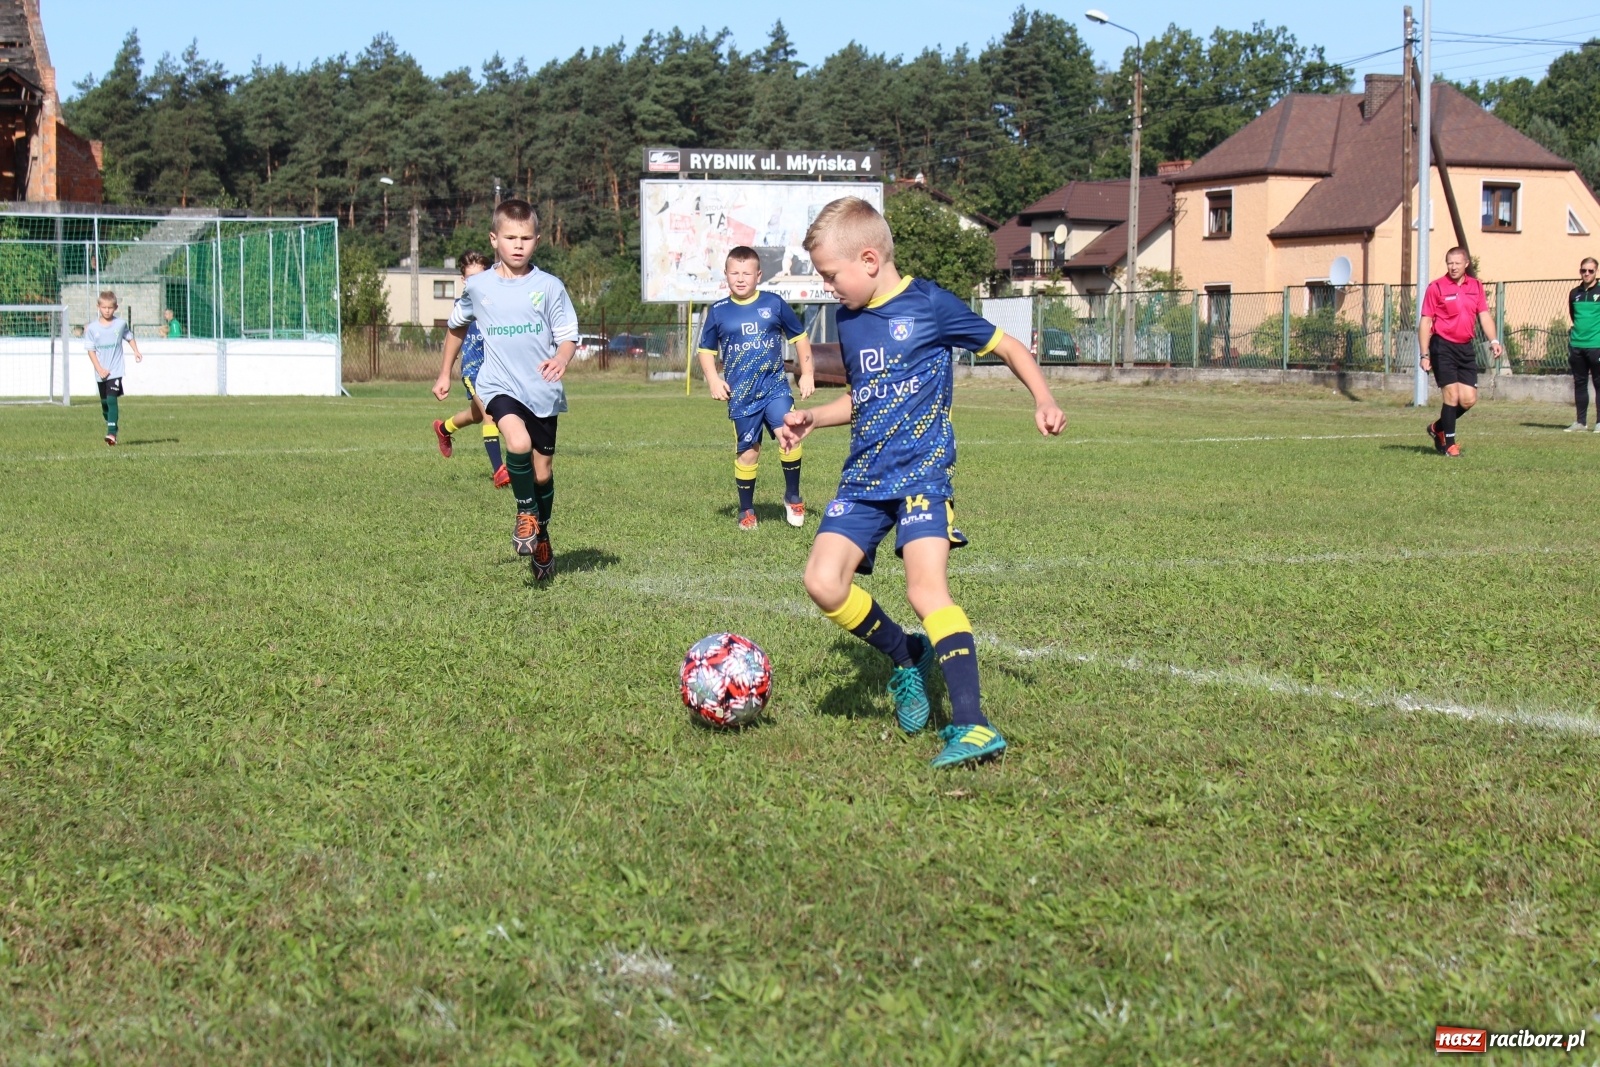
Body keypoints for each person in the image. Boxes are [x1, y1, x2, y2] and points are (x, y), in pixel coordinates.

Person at [777, 197, 1066, 768]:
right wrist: (813, 417)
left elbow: (1005, 345)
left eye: (831, 276)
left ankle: (973, 724)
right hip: (863, 477)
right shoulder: (852, 320)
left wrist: (1044, 397)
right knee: (822, 582)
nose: (829, 288)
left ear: (867, 259)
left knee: (924, 589)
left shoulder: (930, 304)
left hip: (922, 476)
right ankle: (906, 654)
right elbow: (864, 398)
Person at [441, 200, 579, 581]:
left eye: (526, 238)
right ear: (494, 239)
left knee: (543, 473)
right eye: (509, 237)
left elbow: (568, 335)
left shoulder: (550, 287)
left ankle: (543, 535)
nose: (518, 245)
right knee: (515, 443)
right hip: (498, 385)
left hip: (542, 390)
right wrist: (443, 373)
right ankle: (525, 512)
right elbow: (456, 327)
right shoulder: (479, 286)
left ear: (537, 240)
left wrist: (562, 360)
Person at [696, 245, 816, 529]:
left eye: (746, 273)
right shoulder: (718, 312)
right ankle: (747, 510)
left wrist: (807, 373)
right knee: (749, 452)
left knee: (790, 436)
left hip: (775, 387)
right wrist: (714, 379)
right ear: (726, 275)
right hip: (741, 395)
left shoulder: (774, 304)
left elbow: (799, 337)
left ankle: (793, 496)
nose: (740, 278)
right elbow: (705, 351)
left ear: (758, 275)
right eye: (734, 273)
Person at [430, 251, 509, 487]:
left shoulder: (498, 301)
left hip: (497, 369)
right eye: (470, 278)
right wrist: (445, 373)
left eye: (481, 276)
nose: (476, 282)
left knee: (476, 415)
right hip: (473, 371)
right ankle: (499, 471)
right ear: (463, 280)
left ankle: (444, 428)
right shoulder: (463, 305)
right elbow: (453, 336)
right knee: (490, 416)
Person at [1421, 247, 1506, 457]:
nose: (1453, 267)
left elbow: (1484, 315)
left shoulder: (1476, 286)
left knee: (1468, 399)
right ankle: (1450, 445)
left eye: (1457, 263)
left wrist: (1493, 339)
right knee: (1451, 394)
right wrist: (1424, 354)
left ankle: (1437, 428)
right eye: (1450, 263)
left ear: (1466, 263)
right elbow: (1425, 321)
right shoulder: (1436, 287)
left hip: (1465, 347)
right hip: (1442, 346)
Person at [82, 291, 144, 446]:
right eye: (104, 307)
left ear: (115, 307)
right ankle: (112, 423)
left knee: (111, 399)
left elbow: (129, 336)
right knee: (104, 404)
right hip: (100, 371)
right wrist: (99, 369)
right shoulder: (92, 328)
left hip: (115, 370)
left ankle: (111, 434)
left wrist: (136, 351)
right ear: (98, 307)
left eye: (110, 307)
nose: (107, 310)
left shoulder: (120, 324)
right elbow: (91, 351)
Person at [1566, 257, 1600, 432]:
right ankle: (1581, 422)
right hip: (1577, 345)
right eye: (1583, 270)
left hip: (1596, 345)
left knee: (1598, 382)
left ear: (1596, 272)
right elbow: (1574, 316)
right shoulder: (1574, 293)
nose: (1586, 274)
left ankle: (1599, 423)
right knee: (1579, 382)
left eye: (1590, 271)